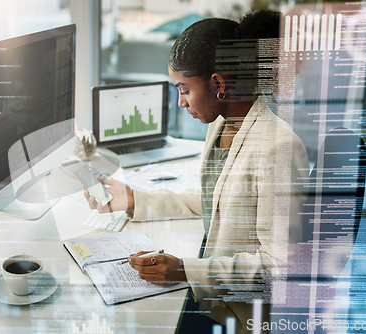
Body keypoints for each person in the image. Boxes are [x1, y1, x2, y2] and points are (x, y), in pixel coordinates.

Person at [85, 10, 309, 334]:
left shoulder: (279, 147)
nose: (180, 102)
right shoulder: (221, 123)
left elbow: (280, 269)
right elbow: (214, 199)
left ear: (218, 83)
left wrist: (184, 270)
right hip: (213, 296)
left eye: (184, 90)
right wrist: (136, 200)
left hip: (239, 315)